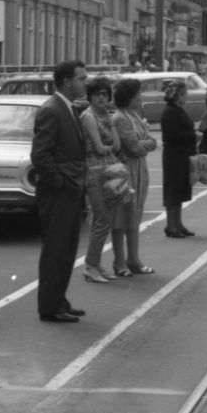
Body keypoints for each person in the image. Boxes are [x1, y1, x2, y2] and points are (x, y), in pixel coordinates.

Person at [30, 59, 88, 322]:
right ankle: (50, 306)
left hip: (72, 190)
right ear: (67, 81)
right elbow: (40, 156)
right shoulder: (52, 110)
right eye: (81, 78)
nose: (84, 83)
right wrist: (59, 182)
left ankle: (59, 300)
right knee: (56, 250)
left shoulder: (70, 109)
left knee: (67, 249)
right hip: (60, 192)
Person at [110, 78, 157, 276]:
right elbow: (135, 147)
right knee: (121, 216)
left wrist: (143, 144)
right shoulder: (120, 118)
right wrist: (144, 143)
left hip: (138, 170)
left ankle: (134, 259)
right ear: (129, 96)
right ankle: (119, 261)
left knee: (134, 215)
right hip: (125, 171)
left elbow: (152, 142)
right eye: (137, 93)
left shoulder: (134, 115)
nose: (140, 96)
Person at [80, 76, 122, 283]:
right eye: (98, 94)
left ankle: (96, 264)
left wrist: (110, 121)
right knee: (101, 219)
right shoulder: (88, 116)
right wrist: (107, 146)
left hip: (108, 170)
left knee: (104, 219)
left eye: (106, 94)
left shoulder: (104, 115)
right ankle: (90, 265)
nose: (102, 98)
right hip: (94, 171)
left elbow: (116, 145)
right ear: (90, 96)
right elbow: (99, 147)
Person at [160, 80, 198, 237]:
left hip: (183, 155)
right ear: (177, 95)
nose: (186, 96)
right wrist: (194, 136)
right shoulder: (169, 112)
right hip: (174, 156)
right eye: (184, 93)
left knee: (181, 189)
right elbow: (173, 136)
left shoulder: (178, 110)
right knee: (173, 191)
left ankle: (178, 223)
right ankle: (171, 225)